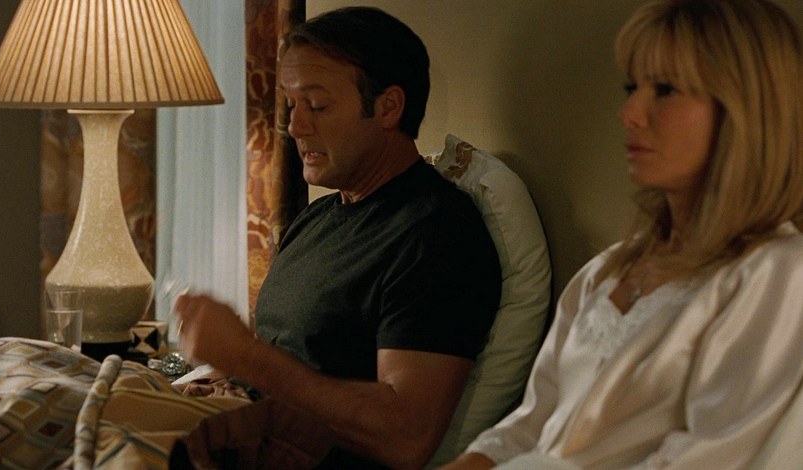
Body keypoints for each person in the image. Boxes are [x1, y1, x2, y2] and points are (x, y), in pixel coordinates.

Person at [441, 0, 803, 468]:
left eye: (666, 90)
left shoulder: (776, 273)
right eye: (633, 88)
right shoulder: (607, 270)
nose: (629, 112)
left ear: (747, 110)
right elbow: (530, 425)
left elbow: (715, 455)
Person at [174, 6, 502, 469]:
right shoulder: (317, 219)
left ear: (388, 107)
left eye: (317, 105)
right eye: (292, 105)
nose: (295, 127)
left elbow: (405, 435)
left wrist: (246, 356)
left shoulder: (436, 234)